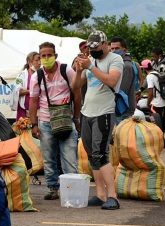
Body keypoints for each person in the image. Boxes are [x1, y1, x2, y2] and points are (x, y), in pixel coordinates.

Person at [75, 31, 124, 210]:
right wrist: (79, 70)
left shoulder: (115, 60)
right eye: (91, 48)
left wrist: (90, 67)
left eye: (96, 47)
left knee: (101, 153)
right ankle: (100, 194)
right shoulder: (91, 62)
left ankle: (113, 196)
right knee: (91, 153)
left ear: (106, 44)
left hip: (104, 112)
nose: (93, 51)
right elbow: (77, 86)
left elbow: (111, 81)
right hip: (87, 112)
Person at [29, 42, 80, 200]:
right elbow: (33, 100)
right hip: (45, 120)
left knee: (69, 157)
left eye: (49, 55)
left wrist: (76, 117)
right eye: (42, 56)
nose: (46, 58)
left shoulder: (66, 70)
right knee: (49, 157)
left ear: (55, 56)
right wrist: (34, 124)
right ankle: (53, 188)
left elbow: (77, 94)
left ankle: (72, 190)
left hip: (66, 120)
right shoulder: (37, 75)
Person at [110, 36, 139, 123]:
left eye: (117, 48)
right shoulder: (117, 64)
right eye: (112, 49)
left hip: (123, 109)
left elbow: (122, 92)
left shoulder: (126, 66)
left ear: (125, 50)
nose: (114, 51)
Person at [11, 51, 41, 120]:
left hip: (39, 112)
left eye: (40, 60)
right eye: (36, 60)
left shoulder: (42, 74)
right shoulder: (21, 75)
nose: (39, 63)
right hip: (23, 111)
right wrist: (32, 91)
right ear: (29, 62)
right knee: (24, 130)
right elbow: (18, 91)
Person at [141, 59, 165, 132]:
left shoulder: (150, 76)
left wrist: (148, 103)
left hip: (156, 103)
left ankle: (157, 138)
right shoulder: (157, 73)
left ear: (144, 68)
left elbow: (151, 92)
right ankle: (162, 138)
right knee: (162, 122)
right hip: (163, 101)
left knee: (156, 123)